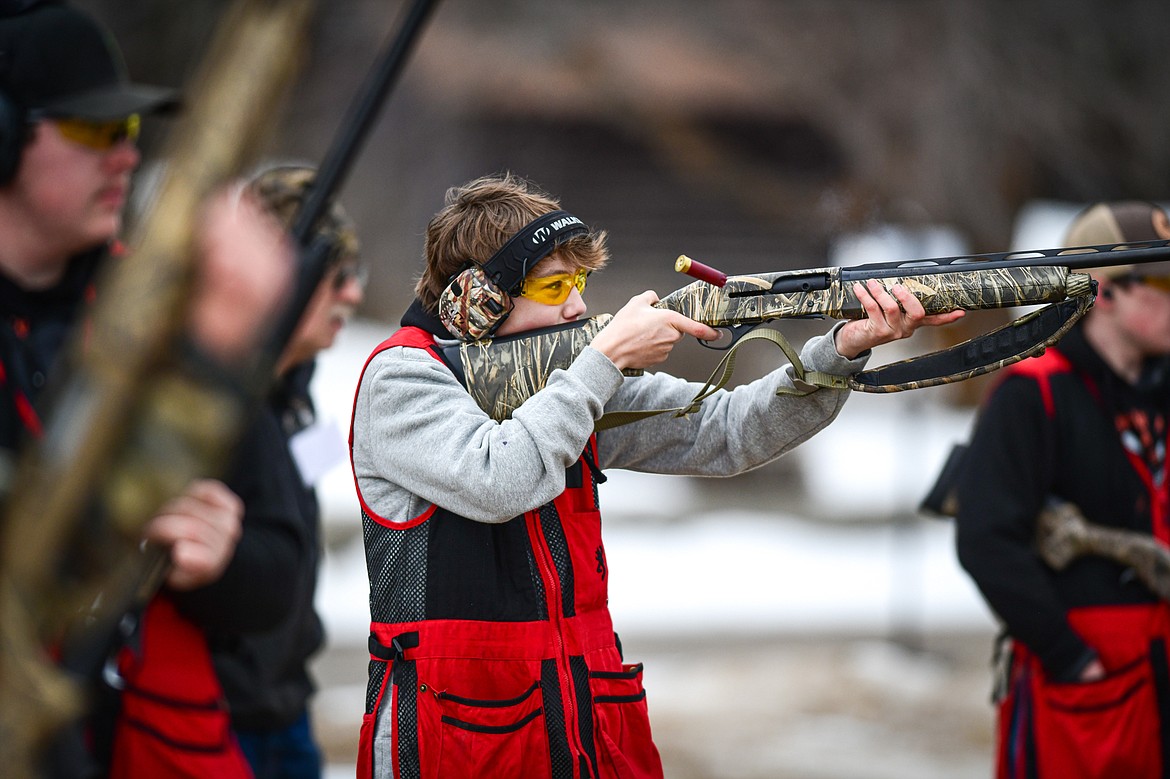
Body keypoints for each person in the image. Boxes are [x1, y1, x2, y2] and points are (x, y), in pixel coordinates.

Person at [348, 173, 964, 778]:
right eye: (555, 285)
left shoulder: (566, 386)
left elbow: (728, 431)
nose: (580, 305)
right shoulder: (402, 379)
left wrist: (842, 349)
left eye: (581, 281)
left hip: (584, 721)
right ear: (479, 300)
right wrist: (602, 362)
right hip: (453, 740)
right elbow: (497, 478)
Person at [0, 2, 297, 776]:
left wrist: (222, 562)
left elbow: (279, 571)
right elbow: (38, 560)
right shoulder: (191, 336)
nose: (126, 158)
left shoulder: (160, 321)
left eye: (130, 134)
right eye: (96, 130)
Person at [953, 200, 1170, 779]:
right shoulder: (1032, 392)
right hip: (1086, 687)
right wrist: (1071, 659)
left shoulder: (1159, 391)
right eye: (1162, 280)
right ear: (1104, 290)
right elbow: (985, 540)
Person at [202, 164, 367, 779]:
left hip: (286, 711)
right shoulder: (203, 401)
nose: (352, 295)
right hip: (218, 718)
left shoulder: (298, 390)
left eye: (357, 275)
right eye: (335, 275)